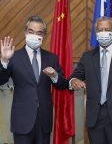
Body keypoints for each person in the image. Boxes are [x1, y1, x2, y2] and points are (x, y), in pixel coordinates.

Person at [70, 17, 112, 144]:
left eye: (107, 29)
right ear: (96, 32)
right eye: (100, 30)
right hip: (94, 118)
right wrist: (74, 80)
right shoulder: (87, 57)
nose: (103, 32)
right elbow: (76, 75)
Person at [0, 15, 68, 144]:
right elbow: (1, 80)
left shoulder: (52, 58)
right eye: (31, 32)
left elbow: (63, 85)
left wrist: (54, 76)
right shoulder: (14, 57)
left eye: (39, 33)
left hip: (44, 121)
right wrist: (4, 61)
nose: (34, 35)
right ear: (25, 32)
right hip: (22, 121)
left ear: (44, 36)